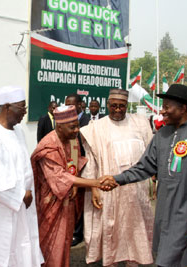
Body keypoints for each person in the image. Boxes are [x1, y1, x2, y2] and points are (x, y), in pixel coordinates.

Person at [100, 84, 187, 267]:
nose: (162, 111)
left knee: (169, 262)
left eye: (167, 106)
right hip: (164, 214)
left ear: (183, 108)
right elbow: (144, 167)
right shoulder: (162, 134)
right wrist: (117, 179)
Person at [31, 105, 116, 267]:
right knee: (50, 248)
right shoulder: (48, 147)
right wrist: (95, 183)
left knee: (64, 245)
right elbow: (59, 178)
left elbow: (76, 165)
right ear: (59, 127)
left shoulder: (72, 141)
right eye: (73, 127)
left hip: (68, 204)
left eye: (77, 125)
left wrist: (81, 185)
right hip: (50, 205)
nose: (77, 130)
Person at [80, 89, 154, 266]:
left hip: (137, 191)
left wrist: (153, 181)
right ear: (108, 105)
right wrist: (94, 188)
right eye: (114, 106)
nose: (118, 109)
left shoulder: (140, 124)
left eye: (122, 106)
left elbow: (151, 156)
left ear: (127, 106)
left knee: (135, 232)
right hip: (108, 190)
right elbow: (91, 163)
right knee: (111, 232)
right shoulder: (95, 128)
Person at [0, 86, 43, 267]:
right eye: (21, 108)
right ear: (7, 107)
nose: (24, 113)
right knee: (4, 254)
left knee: (24, 249)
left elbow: (23, 167)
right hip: (4, 208)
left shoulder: (18, 131)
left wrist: (28, 190)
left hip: (24, 204)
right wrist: (20, 195)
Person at [64, 93, 90, 246]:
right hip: (69, 166)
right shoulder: (64, 120)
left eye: (72, 105)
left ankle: (78, 233)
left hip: (83, 166)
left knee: (80, 200)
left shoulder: (87, 122)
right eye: (67, 104)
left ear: (80, 105)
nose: (69, 108)